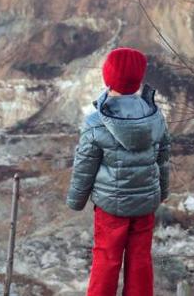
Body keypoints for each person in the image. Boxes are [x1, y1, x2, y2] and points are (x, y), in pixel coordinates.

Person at [66, 47, 171, 296]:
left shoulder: (96, 122)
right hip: (145, 205)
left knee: (107, 260)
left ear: (107, 77)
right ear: (138, 80)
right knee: (140, 261)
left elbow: (85, 165)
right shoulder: (155, 116)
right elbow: (162, 160)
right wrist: (162, 193)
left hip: (110, 208)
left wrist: (76, 200)